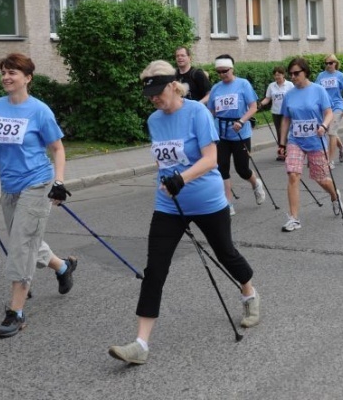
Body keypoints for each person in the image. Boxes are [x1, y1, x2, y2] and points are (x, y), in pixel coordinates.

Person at [108, 61, 259, 365]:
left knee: (225, 253)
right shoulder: (154, 120)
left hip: (206, 199)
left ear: (173, 85)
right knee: (155, 269)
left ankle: (249, 294)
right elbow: (163, 159)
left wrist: (182, 178)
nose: (153, 98)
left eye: (157, 91)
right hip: (169, 205)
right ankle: (140, 343)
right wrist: (167, 179)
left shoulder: (197, 112)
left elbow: (210, 159)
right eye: (148, 93)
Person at [0, 53, 75, 338]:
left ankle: (16, 312)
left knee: (21, 246)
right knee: (24, 240)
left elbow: (58, 149)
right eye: (3, 72)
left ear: (27, 78)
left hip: (37, 183)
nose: (6, 77)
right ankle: (62, 267)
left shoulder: (39, 111)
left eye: (12, 72)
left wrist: (59, 182)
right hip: (9, 185)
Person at [277, 57, 342, 230]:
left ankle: (335, 196)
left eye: (296, 73)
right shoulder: (289, 95)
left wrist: (323, 125)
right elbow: (286, 119)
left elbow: (328, 113)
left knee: (321, 178)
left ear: (305, 72)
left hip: (316, 140)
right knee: (293, 174)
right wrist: (282, 144)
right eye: (290, 74)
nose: (293, 77)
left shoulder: (318, 90)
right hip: (295, 140)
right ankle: (294, 218)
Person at [206, 55, 265, 214]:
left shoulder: (243, 84)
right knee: (222, 168)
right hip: (222, 133)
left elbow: (253, 107)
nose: (222, 74)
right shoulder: (216, 88)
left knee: (242, 169)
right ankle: (227, 203)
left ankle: (255, 184)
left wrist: (241, 121)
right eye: (219, 72)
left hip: (240, 133)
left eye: (225, 71)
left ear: (232, 69)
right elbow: (211, 110)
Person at [315, 54, 343, 167]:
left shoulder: (341, 76)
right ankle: (341, 147)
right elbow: (316, 91)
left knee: (331, 132)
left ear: (335, 63)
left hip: (337, 106)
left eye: (330, 63)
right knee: (331, 131)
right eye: (326, 63)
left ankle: (329, 161)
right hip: (325, 108)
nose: (328, 65)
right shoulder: (321, 76)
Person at [258, 66, 294, 160]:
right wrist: (261, 104)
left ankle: (288, 151)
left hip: (287, 113)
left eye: (279, 74)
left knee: (285, 131)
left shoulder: (290, 85)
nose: (277, 77)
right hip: (276, 112)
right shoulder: (271, 86)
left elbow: (295, 97)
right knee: (279, 132)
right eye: (275, 75)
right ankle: (282, 152)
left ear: (283, 75)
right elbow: (268, 98)